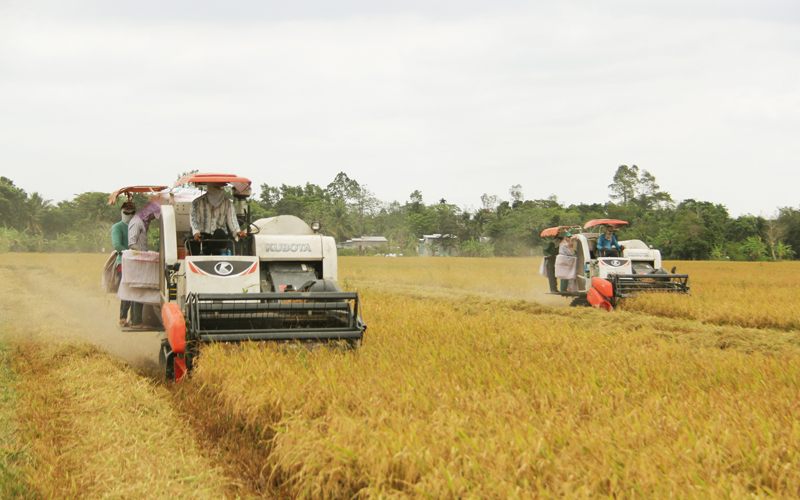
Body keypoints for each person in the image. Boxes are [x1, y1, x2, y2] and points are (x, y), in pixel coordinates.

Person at [127, 201, 162, 329]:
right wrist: (142, 256)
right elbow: (132, 243)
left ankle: (136, 320)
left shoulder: (141, 221)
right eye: (153, 216)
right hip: (138, 262)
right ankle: (136, 322)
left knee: (139, 291)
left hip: (139, 261)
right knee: (138, 291)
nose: (153, 219)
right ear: (149, 213)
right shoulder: (137, 222)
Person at [190, 182, 247, 255]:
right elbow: (194, 220)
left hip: (220, 238)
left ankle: (206, 254)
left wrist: (238, 231)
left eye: (221, 188)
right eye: (217, 187)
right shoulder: (197, 202)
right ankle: (197, 260)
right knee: (188, 240)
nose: (220, 190)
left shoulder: (228, 203)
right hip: (203, 237)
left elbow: (232, 220)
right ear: (210, 187)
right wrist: (196, 233)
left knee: (220, 232)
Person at [111, 201, 135, 326]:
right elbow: (117, 245)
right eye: (127, 212)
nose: (129, 214)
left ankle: (135, 318)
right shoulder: (117, 227)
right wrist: (132, 253)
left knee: (136, 289)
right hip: (124, 261)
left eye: (132, 212)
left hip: (137, 261)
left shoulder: (137, 225)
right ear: (122, 212)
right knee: (126, 289)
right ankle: (123, 316)